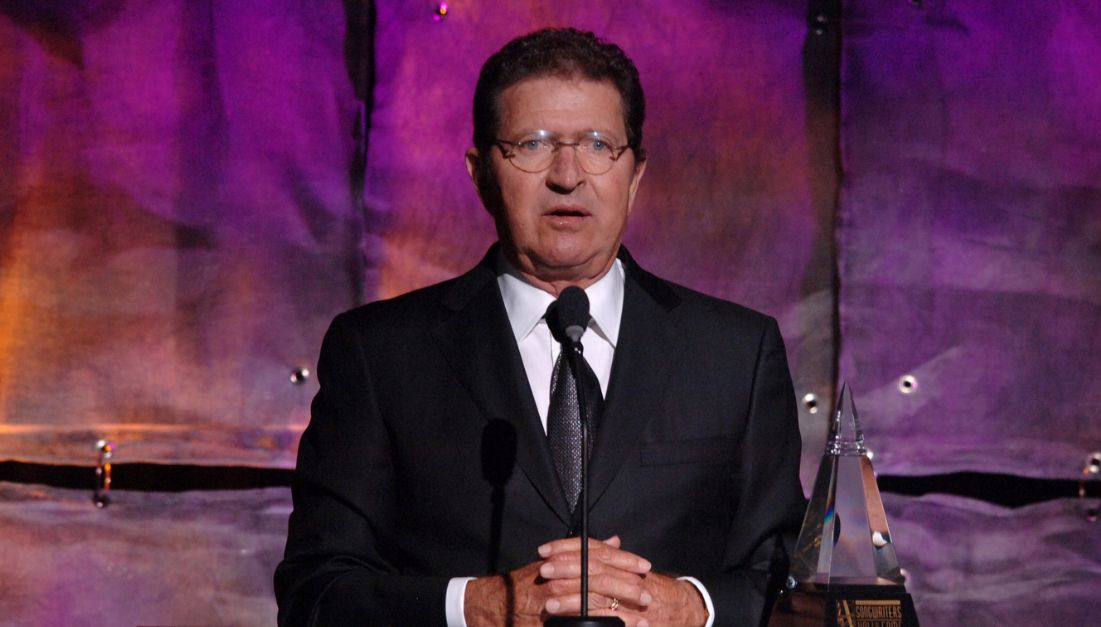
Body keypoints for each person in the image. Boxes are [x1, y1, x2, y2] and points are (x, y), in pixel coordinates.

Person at [275, 27, 803, 627]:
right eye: (532, 144)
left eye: (600, 145)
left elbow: (789, 585)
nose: (568, 174)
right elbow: (316, 596)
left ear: (635, 176)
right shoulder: (381, 354)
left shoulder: (735, 353)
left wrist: (687, 607)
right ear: (480, 174)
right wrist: (479, 606)